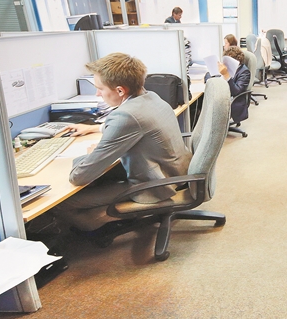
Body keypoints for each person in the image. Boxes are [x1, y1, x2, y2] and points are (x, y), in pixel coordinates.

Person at [54, 53, 192, 232]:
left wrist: (89, 156)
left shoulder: (125, 117)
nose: (97, 94)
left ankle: (98, 230)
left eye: (100, 88)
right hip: (175, 172)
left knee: (64, 202)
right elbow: (137, 124)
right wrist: (95, 128)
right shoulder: (151, 97)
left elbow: (79, 177)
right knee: (102, 178)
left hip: (154, 186)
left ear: (120, 91)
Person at [220, 46, 251, 123]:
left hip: (233, 100)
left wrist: (226, 75)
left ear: (238, 60)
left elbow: (236, 91)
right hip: (222, 94)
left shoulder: (244, 72)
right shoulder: (228, 68)